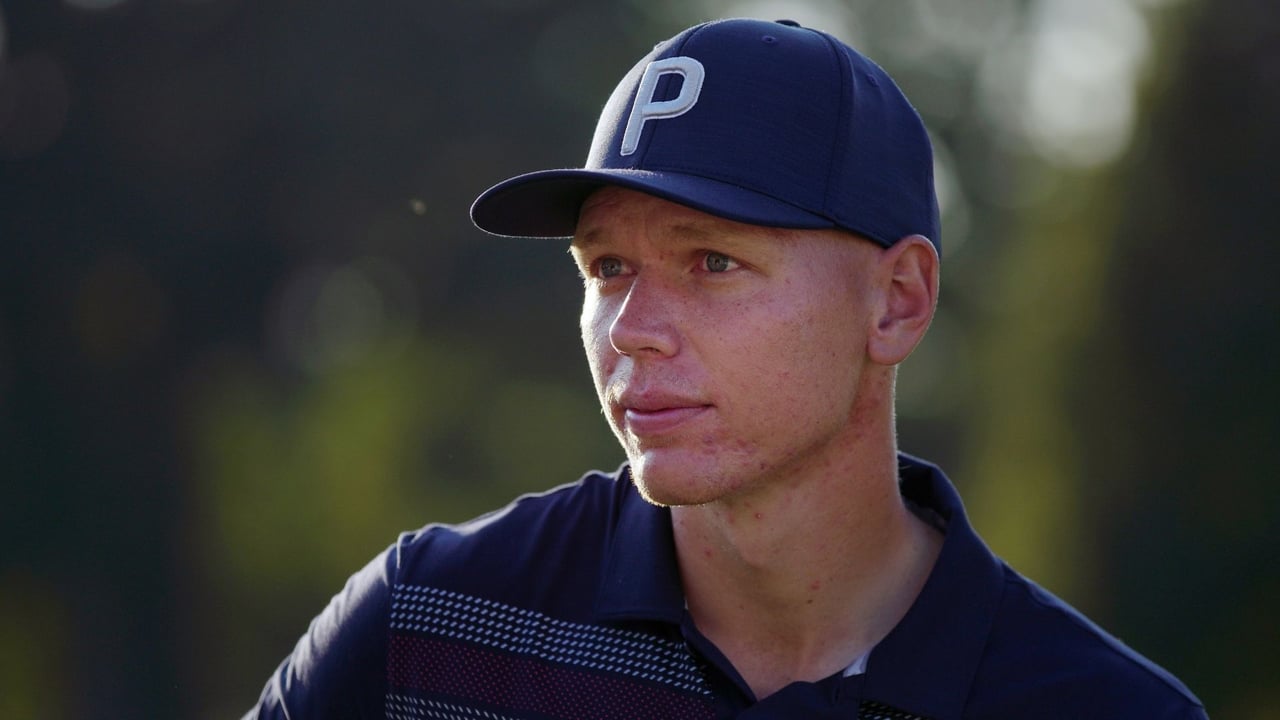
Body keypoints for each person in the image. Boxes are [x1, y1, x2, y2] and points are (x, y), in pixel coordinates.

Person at [246, 18, 1207, 719]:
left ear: (898, 301)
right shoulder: (425, 629)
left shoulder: (1096, 707)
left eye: (712, 262)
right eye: (608, 268)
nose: (632, 329)